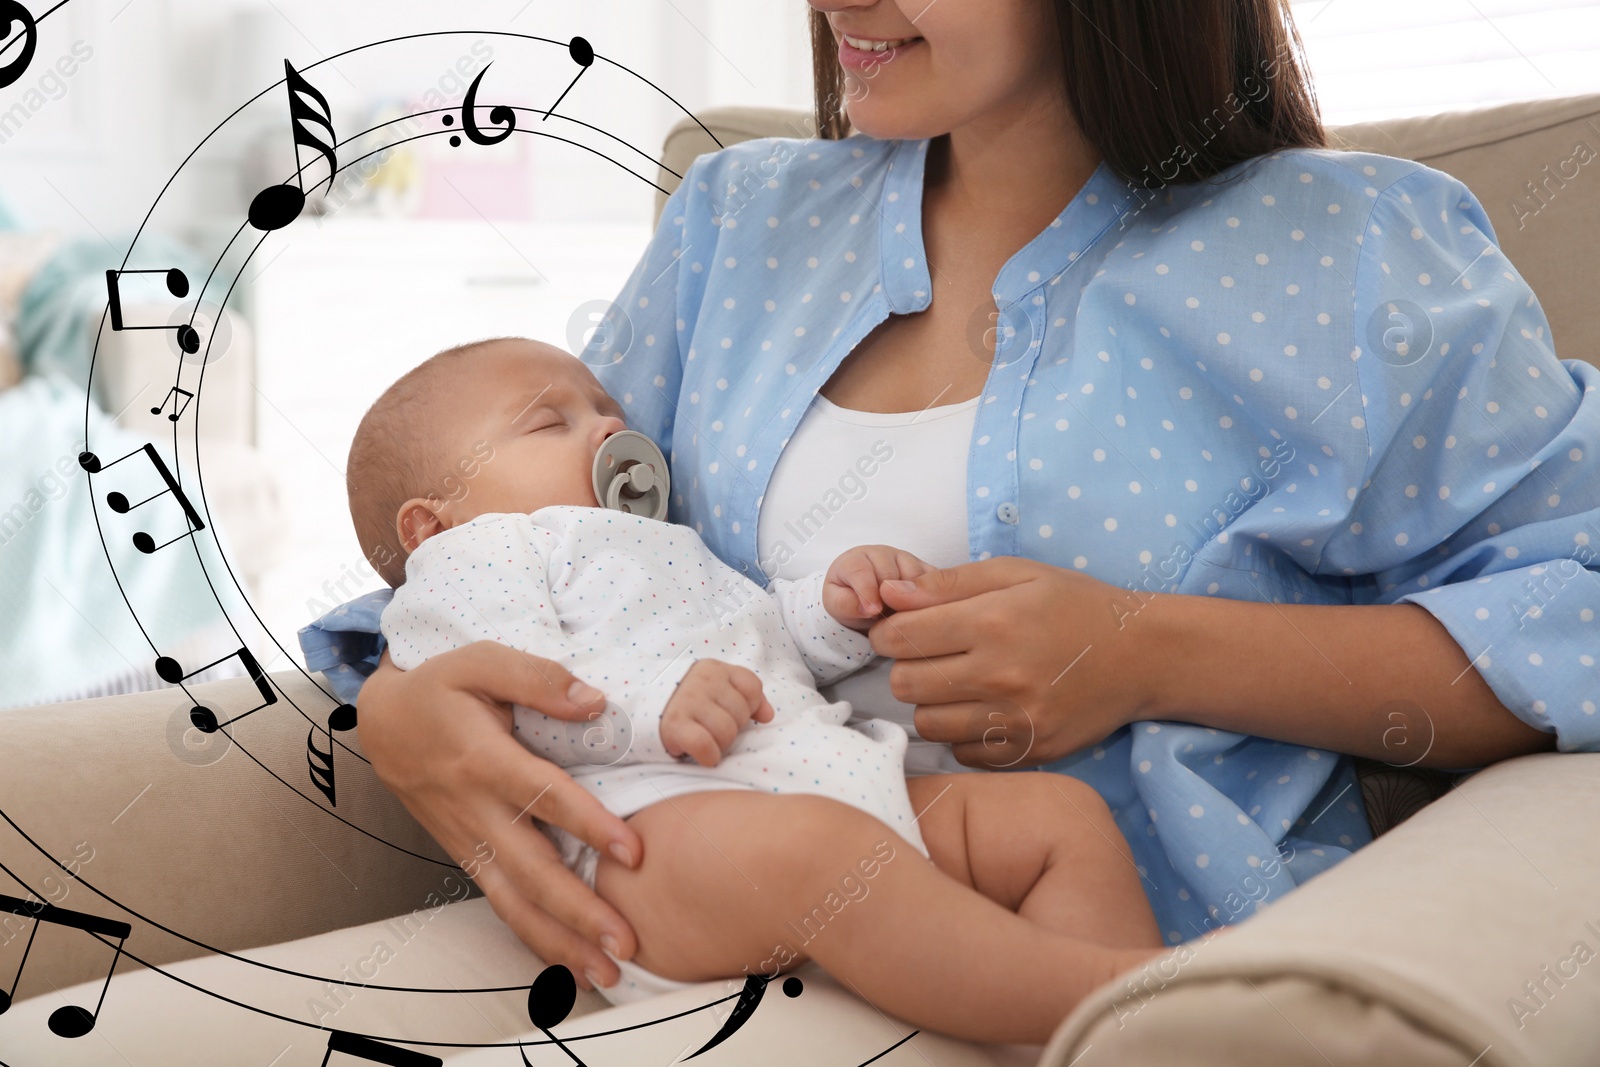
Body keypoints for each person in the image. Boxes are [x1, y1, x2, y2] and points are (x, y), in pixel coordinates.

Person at [346, 0, 1596, 1005]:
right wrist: (403, 708)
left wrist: (1142, 654)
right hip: (711, 922)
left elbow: (1573, 612)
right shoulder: (738, 223)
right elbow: (520, 535)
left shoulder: (1351, 254)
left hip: (1110, 949)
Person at [343, 336, 1163, 1040]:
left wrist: (840, 607)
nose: (607, 428)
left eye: (606, 410)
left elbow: (760, 639)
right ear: (431, 522)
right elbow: (518, 693)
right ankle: (1116, 993)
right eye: (551, 422)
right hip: (647, 834)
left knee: (1059, 817)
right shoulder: (482, 554)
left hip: (822, 781)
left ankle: (1135, 1039)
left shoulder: (661, 545)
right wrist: (657, 702)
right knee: (818, 854)